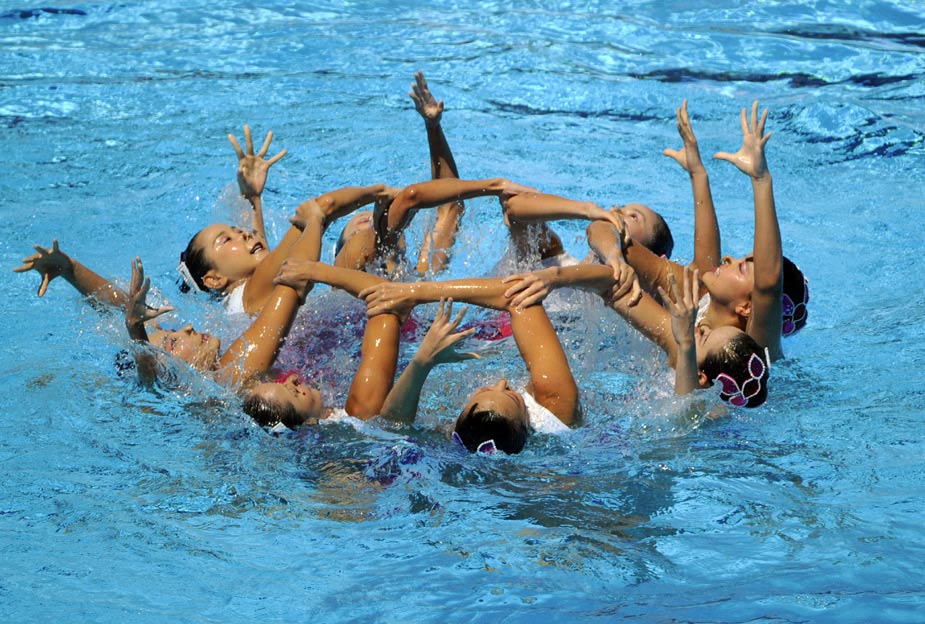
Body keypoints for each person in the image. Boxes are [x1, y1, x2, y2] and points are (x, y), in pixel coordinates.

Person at [589, 101, 808, 351]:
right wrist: (613, 256)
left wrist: (761, 180)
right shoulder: (696, 301)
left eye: (742, 267)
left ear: (748, 307)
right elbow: (604, 228)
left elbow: (768, 283)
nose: (728, 257)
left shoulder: (751, 348)